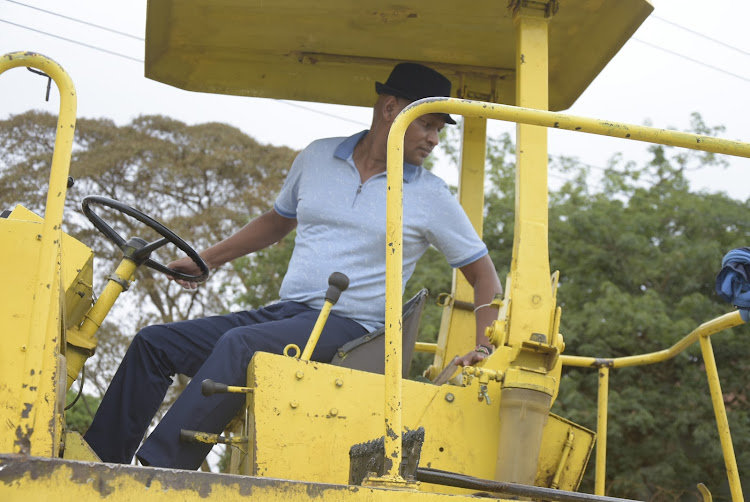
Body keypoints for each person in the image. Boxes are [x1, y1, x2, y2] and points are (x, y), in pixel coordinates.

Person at [84, 62, 502, 470]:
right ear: (391, 109)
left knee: (241, 346)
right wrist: (206, 260)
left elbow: (483, 275)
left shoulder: (432, 196)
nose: (433, 139)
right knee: (155, 343)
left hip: (354, 331)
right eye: (427, 124)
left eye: (438, 130)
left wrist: (485, 346)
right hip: (287, 314)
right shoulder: (318, 156)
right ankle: (96, 465)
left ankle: (161, 472)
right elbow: (276, 222)